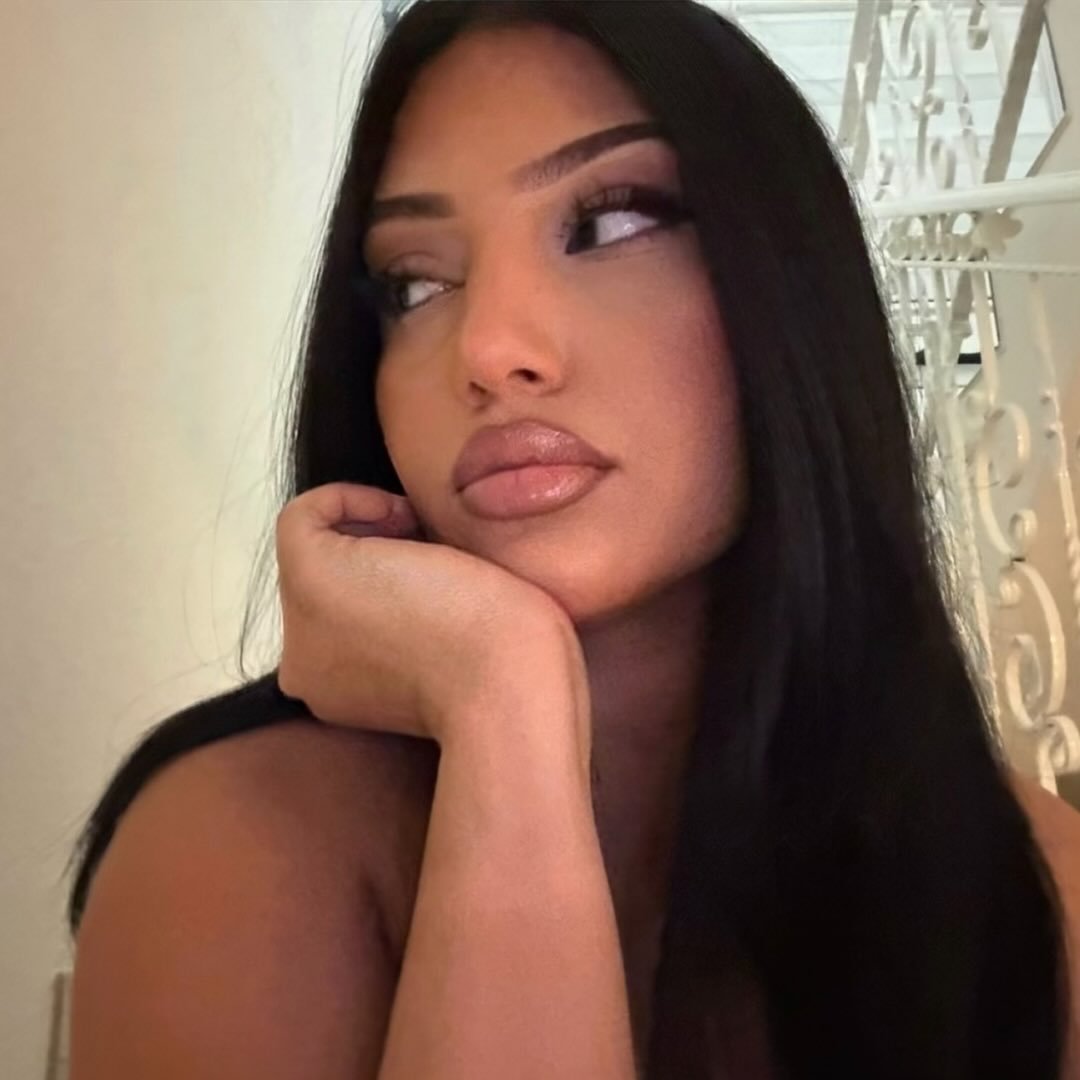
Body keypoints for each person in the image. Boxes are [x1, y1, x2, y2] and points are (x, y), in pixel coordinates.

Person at [65, 2, 1080, 1077]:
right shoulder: (233, 843)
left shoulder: (1041, 898)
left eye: (610, 223)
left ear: (790, 274)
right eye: (415, 283)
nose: (489, 350)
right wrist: (503, 706)